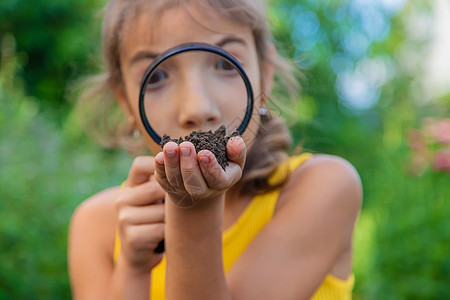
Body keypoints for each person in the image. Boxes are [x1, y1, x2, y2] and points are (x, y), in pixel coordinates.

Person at [68, 0, 362, 299]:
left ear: (266, 76)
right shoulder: (98, 227)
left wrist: (194, 209)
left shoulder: (324, 187)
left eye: (226, 64)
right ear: (126, 102)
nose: (197, 107)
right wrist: (133, 269)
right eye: (156, 77)